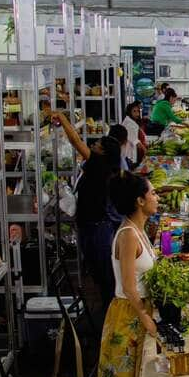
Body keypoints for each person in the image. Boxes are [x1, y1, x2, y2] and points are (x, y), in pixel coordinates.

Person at [90, 171, 160, 377]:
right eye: (153, 192)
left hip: (138, 312)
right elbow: (130, 287)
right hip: (127, 316)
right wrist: (146, 320)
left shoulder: (139, 228)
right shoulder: (128, 234)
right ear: (139, 200)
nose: (157, 197)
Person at [55, 112, 122, 305]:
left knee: (105, 276)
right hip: (91, 227)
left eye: (97, 145)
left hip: (97, 229)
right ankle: (107, 310)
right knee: (100, 274)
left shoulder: (100, 164)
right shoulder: (102, 166)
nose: (93, 145)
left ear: (103, 152)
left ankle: (110, 313)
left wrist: (63, 118)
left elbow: (76, 141)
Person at [120, 102, 147, 170]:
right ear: (129, 112)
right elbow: (136, 142)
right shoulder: (129, 124)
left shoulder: (131, 121)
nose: (137, 113)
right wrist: (146, 151)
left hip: (129, 155)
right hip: (128, 155)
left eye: (138, 111)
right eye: (134, 111)